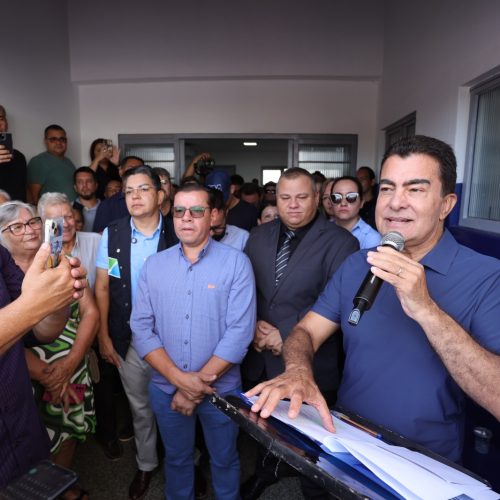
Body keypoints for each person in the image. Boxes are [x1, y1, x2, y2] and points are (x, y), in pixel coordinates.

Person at [247, 135, 500, 463]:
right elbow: (306, 332)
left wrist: (426, 309)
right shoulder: (357, 264)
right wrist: (297, 369)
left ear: (446, 205)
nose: (396, 202)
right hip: (348, 446)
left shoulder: (486, 275)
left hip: (426, 464)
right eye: (387, 188)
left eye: (415, 189)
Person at [131, 183, 256, 500]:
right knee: (176, 459)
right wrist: (180, 381)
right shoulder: (154, 267)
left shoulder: (236, 263)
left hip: (221, 391)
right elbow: (142, 328)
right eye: (179, 211)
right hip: (165, 388)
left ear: (213, 215)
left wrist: (195, 385)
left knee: (225, 459)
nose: (186, 218)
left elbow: (239, 332)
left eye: (196, 211)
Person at [241, 167, 358, 499]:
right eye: (284, 197)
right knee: (264, 426)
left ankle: (313, 486)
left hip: (311, 360)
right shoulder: (259, 236)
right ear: (274, 199)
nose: (292, 205)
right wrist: (251, 326)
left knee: (312, 443)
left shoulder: (341, 242)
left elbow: (334, 301)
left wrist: (286, 332)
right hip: (260, 354)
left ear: (318, 198)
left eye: (301, 197)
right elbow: (247, 290)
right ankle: (267, 471)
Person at [0, 201, 98, 497]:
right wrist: (46, 374)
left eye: (33, 223)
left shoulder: (3, 259)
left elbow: (39, 330)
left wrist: (59, 298)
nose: (29, 230)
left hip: (19, 417)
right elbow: (27, 312)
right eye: (17, 226)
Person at [94, 166, 178, 500]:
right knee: (140, 408)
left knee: (179, 406)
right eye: (129, 191)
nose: (135, 197)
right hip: (127, 339)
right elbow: (102, 287)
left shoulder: (178, 232)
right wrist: (103, 335)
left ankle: (183, 465)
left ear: (161, 195)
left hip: (173, 341)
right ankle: (146, 465)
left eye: (143, 189)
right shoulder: (111, 234)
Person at [92, 155, 144, 233]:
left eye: (139, 170)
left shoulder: (149, 200)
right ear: (120, 171)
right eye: (130, 168)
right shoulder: (107, 205)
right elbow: (99, 236)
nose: (134, 173)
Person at [27, 124, 76, 203]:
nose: (58, 142)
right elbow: (33, 197)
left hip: (72, 210)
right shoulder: (38, 161)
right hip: (55, 212)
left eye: (62, 139)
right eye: (53, 139)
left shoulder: (68, 161)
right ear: (45, 141)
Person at [330, 176, 381, 249]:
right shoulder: (321, 230)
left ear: (361, 202)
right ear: (331, 201)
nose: (343, 203)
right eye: (337, 197)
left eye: (351, 197)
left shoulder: (372, 239)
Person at [0, 105, 28, 201]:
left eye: (1, 119)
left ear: (6, 123)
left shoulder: (19, 157)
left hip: (15, 213)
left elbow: (21, 193)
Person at [73, 167, 100, 232]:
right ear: (75, 187)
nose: (84, 185)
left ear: (96, 185)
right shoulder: (68, 209)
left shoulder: (107, 208)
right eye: (80, 182)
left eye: (89, 181)